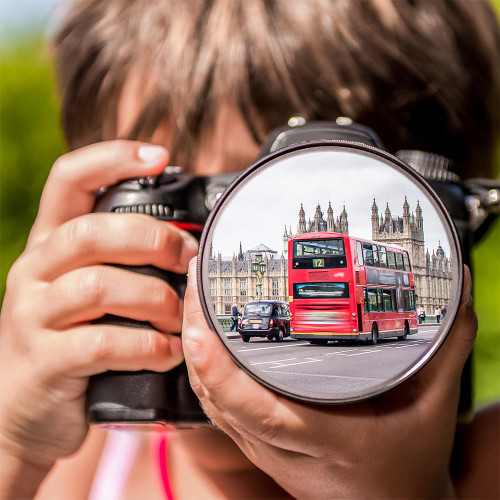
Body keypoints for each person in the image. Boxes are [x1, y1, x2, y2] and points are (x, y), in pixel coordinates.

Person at [0, 1, 499, 499]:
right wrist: (16, 445)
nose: (201, 274)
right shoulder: (84, 457)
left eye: (257, 191)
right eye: (190, 205)